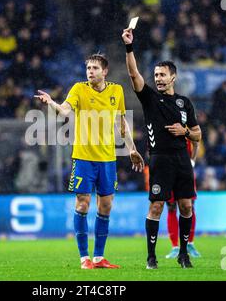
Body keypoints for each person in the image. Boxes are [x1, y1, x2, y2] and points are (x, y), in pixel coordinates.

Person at [35, 54, 144, 269]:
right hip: (84, 157)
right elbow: (65, 110)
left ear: (105, 71)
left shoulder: (116, 91)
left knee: (106, 205)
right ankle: (84, 258)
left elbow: (122, 123)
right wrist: (51, 103)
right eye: (88, 68)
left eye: (94, 68)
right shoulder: (78, 89)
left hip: (107, 159)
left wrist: (132, 149)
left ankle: (99, 257)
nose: (90, 71)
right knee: (83, 203)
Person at [122, 28, 202, 269]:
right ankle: (151, 256)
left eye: (162, 75)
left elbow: (198, 134)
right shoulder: (149, 98)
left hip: (182, 159)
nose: (158, 78)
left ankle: (184, 254)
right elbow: (133, 73)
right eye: (156, 75)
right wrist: (129, 47)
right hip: (159, 159)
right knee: (156, 206)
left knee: (186, 206)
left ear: (173, 77)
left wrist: (185, 131)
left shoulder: (184, 103)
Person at [165, 139, 201, 259]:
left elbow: (197, 139)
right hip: (169, 170)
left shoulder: (188, 123)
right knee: (171, 207)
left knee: (189, 206)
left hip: (186, 170)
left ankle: (190, 243)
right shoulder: (165, 122)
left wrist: (192, 161)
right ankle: (175, 247)